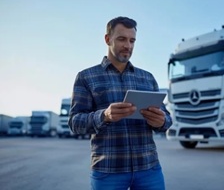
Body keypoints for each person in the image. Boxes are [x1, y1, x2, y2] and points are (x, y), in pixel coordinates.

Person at [68, 16, 173, 190]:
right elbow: (74, 122)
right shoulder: (86, 77)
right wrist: (104, 116)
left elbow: (167, 119)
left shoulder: (147, 78)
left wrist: (162, 121)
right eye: (122, 39)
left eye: (132, 40)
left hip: (149, 168)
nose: (128, 46)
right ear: (107, 39)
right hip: (108, 171)